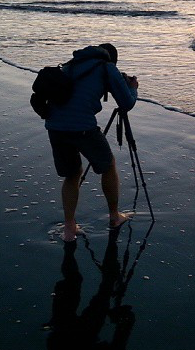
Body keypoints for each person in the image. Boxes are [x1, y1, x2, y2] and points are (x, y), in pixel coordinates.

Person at [45, 43, 138, 241]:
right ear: (111, 59)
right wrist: (132, 88)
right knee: (108, 166)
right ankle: (114, 217)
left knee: (71, 175)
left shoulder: (72, 64)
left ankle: (69, 229)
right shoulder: (106, 67)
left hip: (54, 126)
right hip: (82, 127)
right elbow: (127, 103)